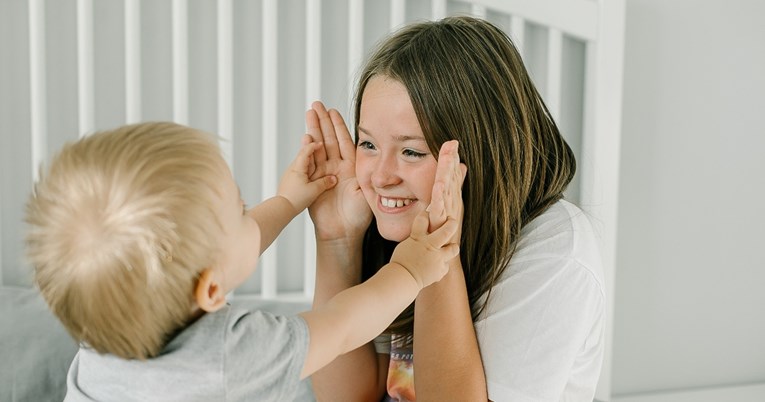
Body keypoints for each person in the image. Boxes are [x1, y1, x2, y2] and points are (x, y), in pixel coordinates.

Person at [24, 121, 461, 401]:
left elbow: (229, 250)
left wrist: (288, 202)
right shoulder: (233, 352)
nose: (251, 212)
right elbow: (343, 322)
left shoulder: (100, 333)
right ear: (211, 290)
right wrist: (410, 269)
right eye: (240, 212)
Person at [305, 15, 605, 401]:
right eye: (368, 144)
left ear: (481, 153)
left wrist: (439, 255)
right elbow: (348, 397)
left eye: (411, 151)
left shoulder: (555, 255)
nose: (380, 177)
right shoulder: (396, 229)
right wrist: (336, 239)